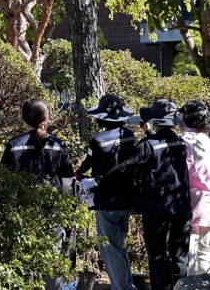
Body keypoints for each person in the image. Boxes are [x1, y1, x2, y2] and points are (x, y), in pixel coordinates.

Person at [82, 98, 192, 290]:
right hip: (181, 205)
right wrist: (147, 133)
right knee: (179, 256)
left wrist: (97, 180)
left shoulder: (147, 145)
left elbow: (125, 166)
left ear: (155, 121)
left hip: (156, 208)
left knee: (159, 256)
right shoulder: (180, 142)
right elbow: (163, 144)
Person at [1, 97, 74, 290]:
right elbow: (68, 182)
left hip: (22, 214)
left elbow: (3, 180)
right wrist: (67, 210)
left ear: (25, 119)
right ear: (47, 118)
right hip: (53, 213)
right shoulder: (59, 145)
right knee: (53, 261)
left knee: (25, 262)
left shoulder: (13, 145)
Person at [75, 94, 137, 290]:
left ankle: (120, 287)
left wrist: (77, 173)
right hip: (127, 198)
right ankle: (127, 285)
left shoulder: (98, 140)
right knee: (119, 245)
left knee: (110, 248)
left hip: (106, 199)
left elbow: (88, 163)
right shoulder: (129, 135)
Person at [178, 100, 210, 276]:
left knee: (190, 249)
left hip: (188, 199)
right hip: (208, 200)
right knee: (205, 251)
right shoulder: (207, 141)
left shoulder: (183, 141)